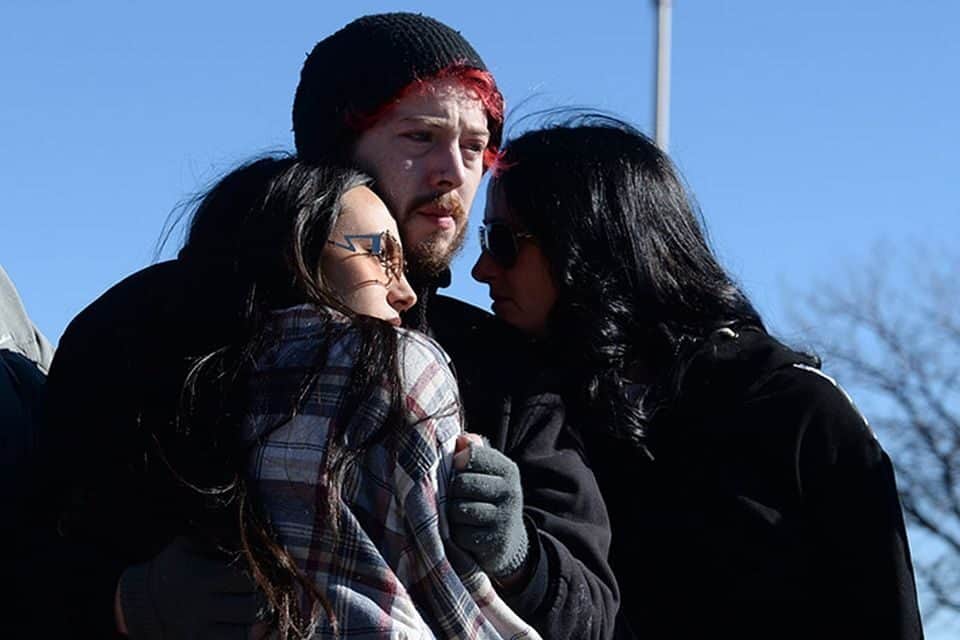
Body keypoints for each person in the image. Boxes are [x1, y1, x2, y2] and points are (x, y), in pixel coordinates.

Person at [36, 13, 616, 639]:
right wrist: (126, 602)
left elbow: (594, 612)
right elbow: (28, 547)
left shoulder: (502, 371)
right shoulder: (150, 326)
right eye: (419, 137)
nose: (453, 171)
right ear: (337, 148)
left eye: (475, 147)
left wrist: (521, 558)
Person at [471, 113, 925, 639]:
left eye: (502, 240)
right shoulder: (530, 416)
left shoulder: (796, 410)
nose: (482, 269)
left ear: (591, 244)